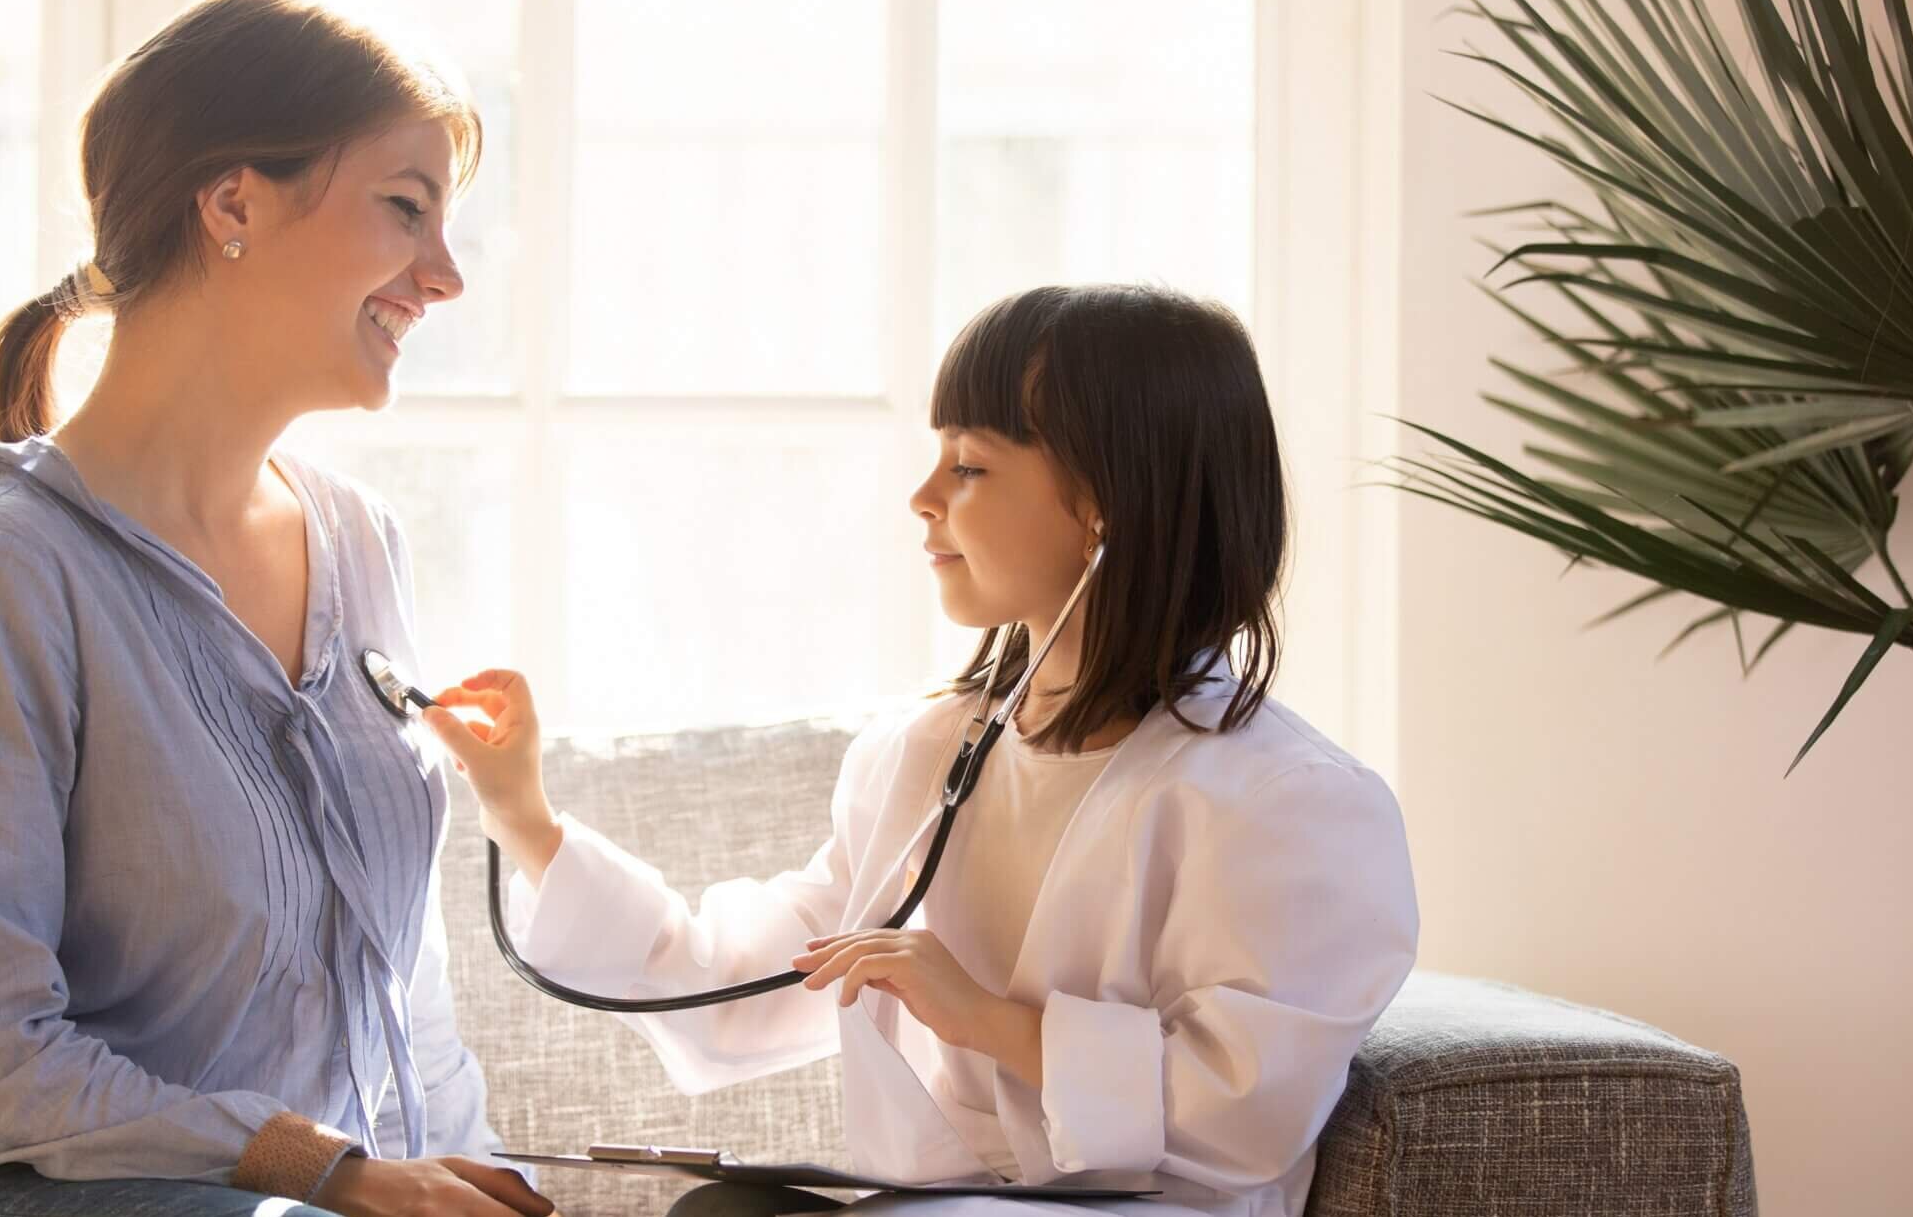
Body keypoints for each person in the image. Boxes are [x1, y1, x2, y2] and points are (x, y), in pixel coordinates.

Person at [0, 0, 550, 1217]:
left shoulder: (363, 544)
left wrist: (475, 1174)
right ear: (233, 202)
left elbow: (402, 986)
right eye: (405, 208)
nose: (443, 277)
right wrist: (327, 1167)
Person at [421, 285, 1421, 1217]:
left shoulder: (1289, 803)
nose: (922, 495)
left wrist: (987, 1016)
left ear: (1104, 506)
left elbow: (1239, 1117)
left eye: (970, 464)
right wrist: (525, 818)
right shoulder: (924, 753)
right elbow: (732, 983)